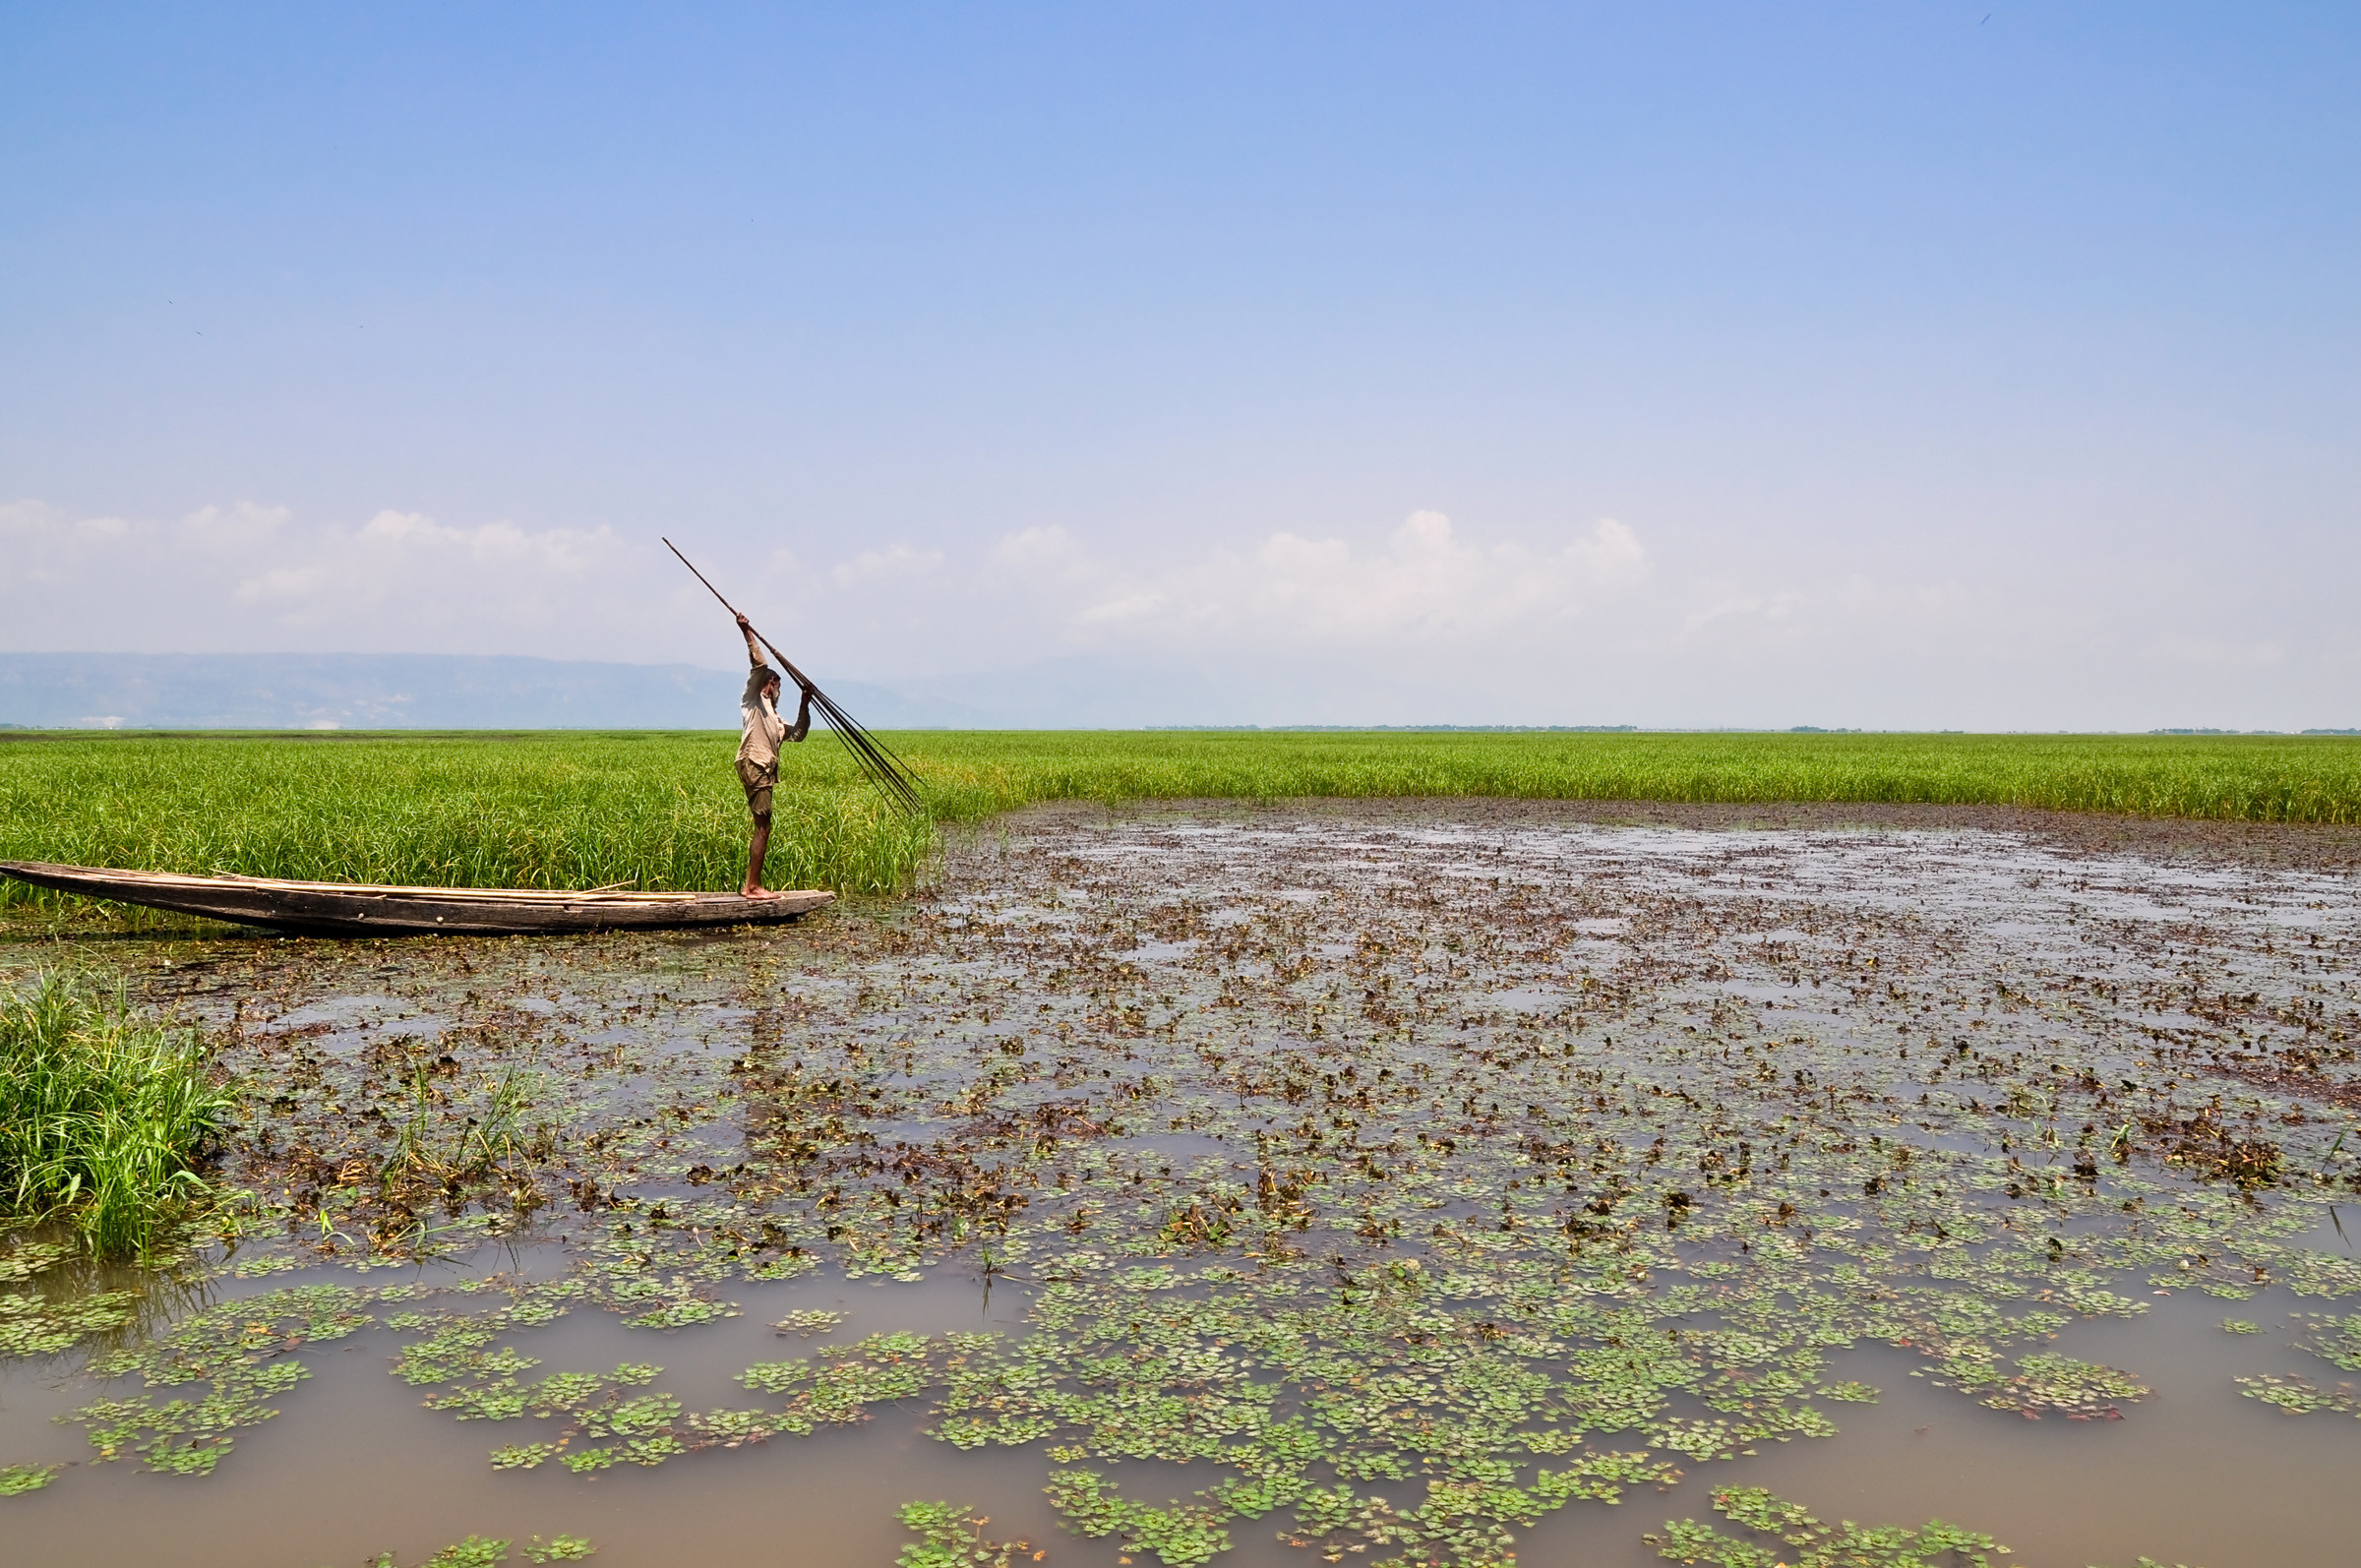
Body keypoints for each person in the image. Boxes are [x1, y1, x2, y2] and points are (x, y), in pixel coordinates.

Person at [734, 612, 812, 899]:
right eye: (777, 685)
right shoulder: (754, 701)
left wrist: (804, 704)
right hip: (755, 764)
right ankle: (752, 887)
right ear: (769, 684)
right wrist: (746, 632)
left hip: (763, 769)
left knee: (764, 826)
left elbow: (798, 734)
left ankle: (752, 885)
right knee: (763, 827)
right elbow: (760, 664)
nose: (778, 690)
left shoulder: (775, 719)